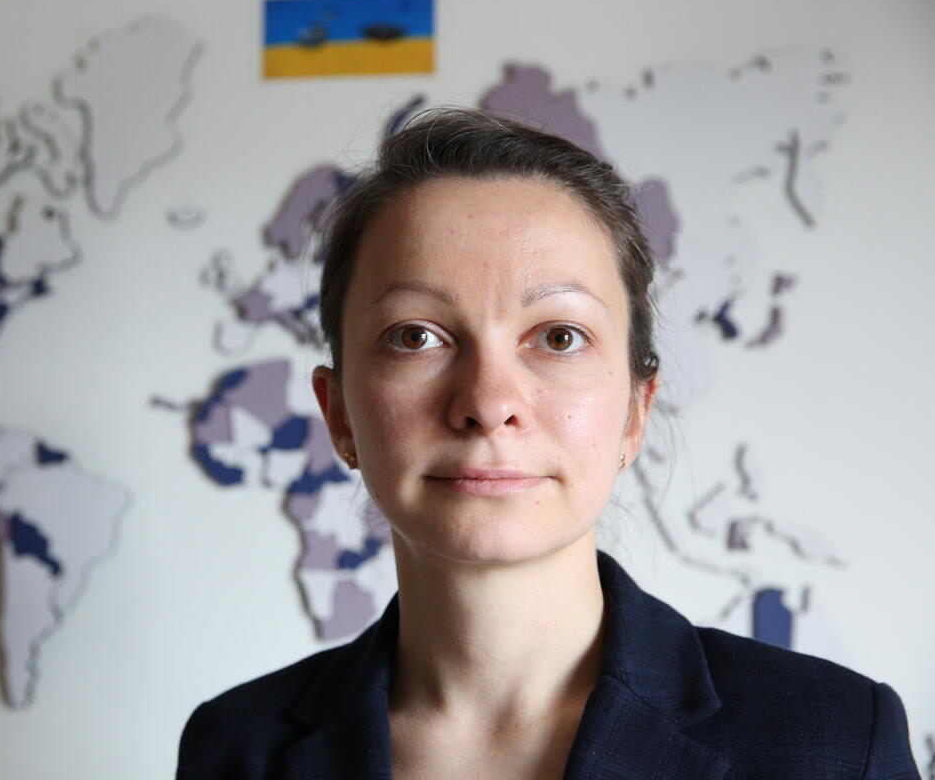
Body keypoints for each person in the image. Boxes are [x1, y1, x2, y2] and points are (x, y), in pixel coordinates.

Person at [176, 109, 919, 779]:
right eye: (416, 337)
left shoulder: (837, 743)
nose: (488, 404)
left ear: (635, 411)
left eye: (559, 337)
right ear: (338, 413)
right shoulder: (233, 750)